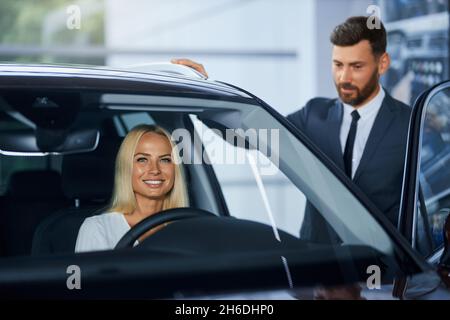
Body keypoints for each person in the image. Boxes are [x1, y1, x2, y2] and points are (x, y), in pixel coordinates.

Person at [173, 16, 411, 243]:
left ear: (382, 64)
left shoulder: (409, 124)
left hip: (388, 274)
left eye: (356, 66)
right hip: (319, 269)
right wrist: (205, 93)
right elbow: (248, 136)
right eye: (338, 65)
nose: (344, 77)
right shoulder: (314, 114)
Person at [75, 124, 189, 252]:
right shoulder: (98, 228)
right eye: (142, 159)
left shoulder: (190, 227)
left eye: (165, 160)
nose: (155, 170)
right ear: (126, 167)